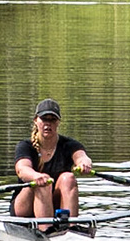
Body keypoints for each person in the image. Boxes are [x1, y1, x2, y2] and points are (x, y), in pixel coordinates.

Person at [13, 98, 92, 230]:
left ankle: (71, 228)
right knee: (44, 182)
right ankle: (46, 230)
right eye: (44, 119)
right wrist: (35, 176)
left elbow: (82, 157)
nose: (47, 124)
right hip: (24, 207)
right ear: (36, 120)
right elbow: (22, 169)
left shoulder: (69, 145)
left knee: (69, 178)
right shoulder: (25, 146)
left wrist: (84, 163)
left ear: (58, 122)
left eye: (52, 120)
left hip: (54, 203)